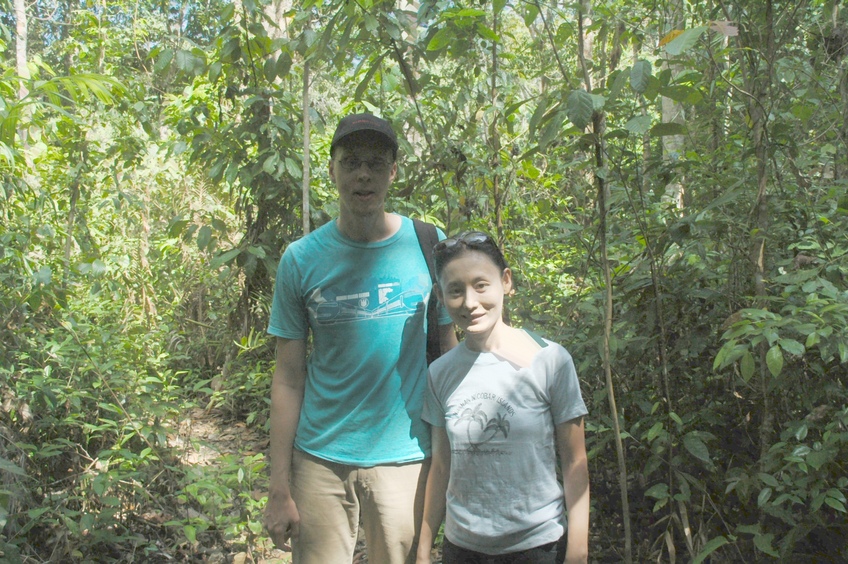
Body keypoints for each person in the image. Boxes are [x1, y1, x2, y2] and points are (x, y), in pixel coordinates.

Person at [264, 112, 457, 564]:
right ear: (332, 170)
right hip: (319, 463)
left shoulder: (431, 245)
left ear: (393, 171)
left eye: (376, 162)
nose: (363, 174)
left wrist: (452, 465)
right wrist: (278, 486)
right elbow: (288, 380)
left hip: (407, 459)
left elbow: (448, 360)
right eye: (350, 162)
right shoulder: (301, 260)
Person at [415, 231, 590, 564]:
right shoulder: (440, 373)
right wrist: (425, 548)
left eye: (481, 285)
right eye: (455, 290)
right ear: (440, 295)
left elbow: (575, 461)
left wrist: (578, 551)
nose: (469, 302)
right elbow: (441, 465)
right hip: (462, 548)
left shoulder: (550, 359)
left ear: (505, 281)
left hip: (538, 546)